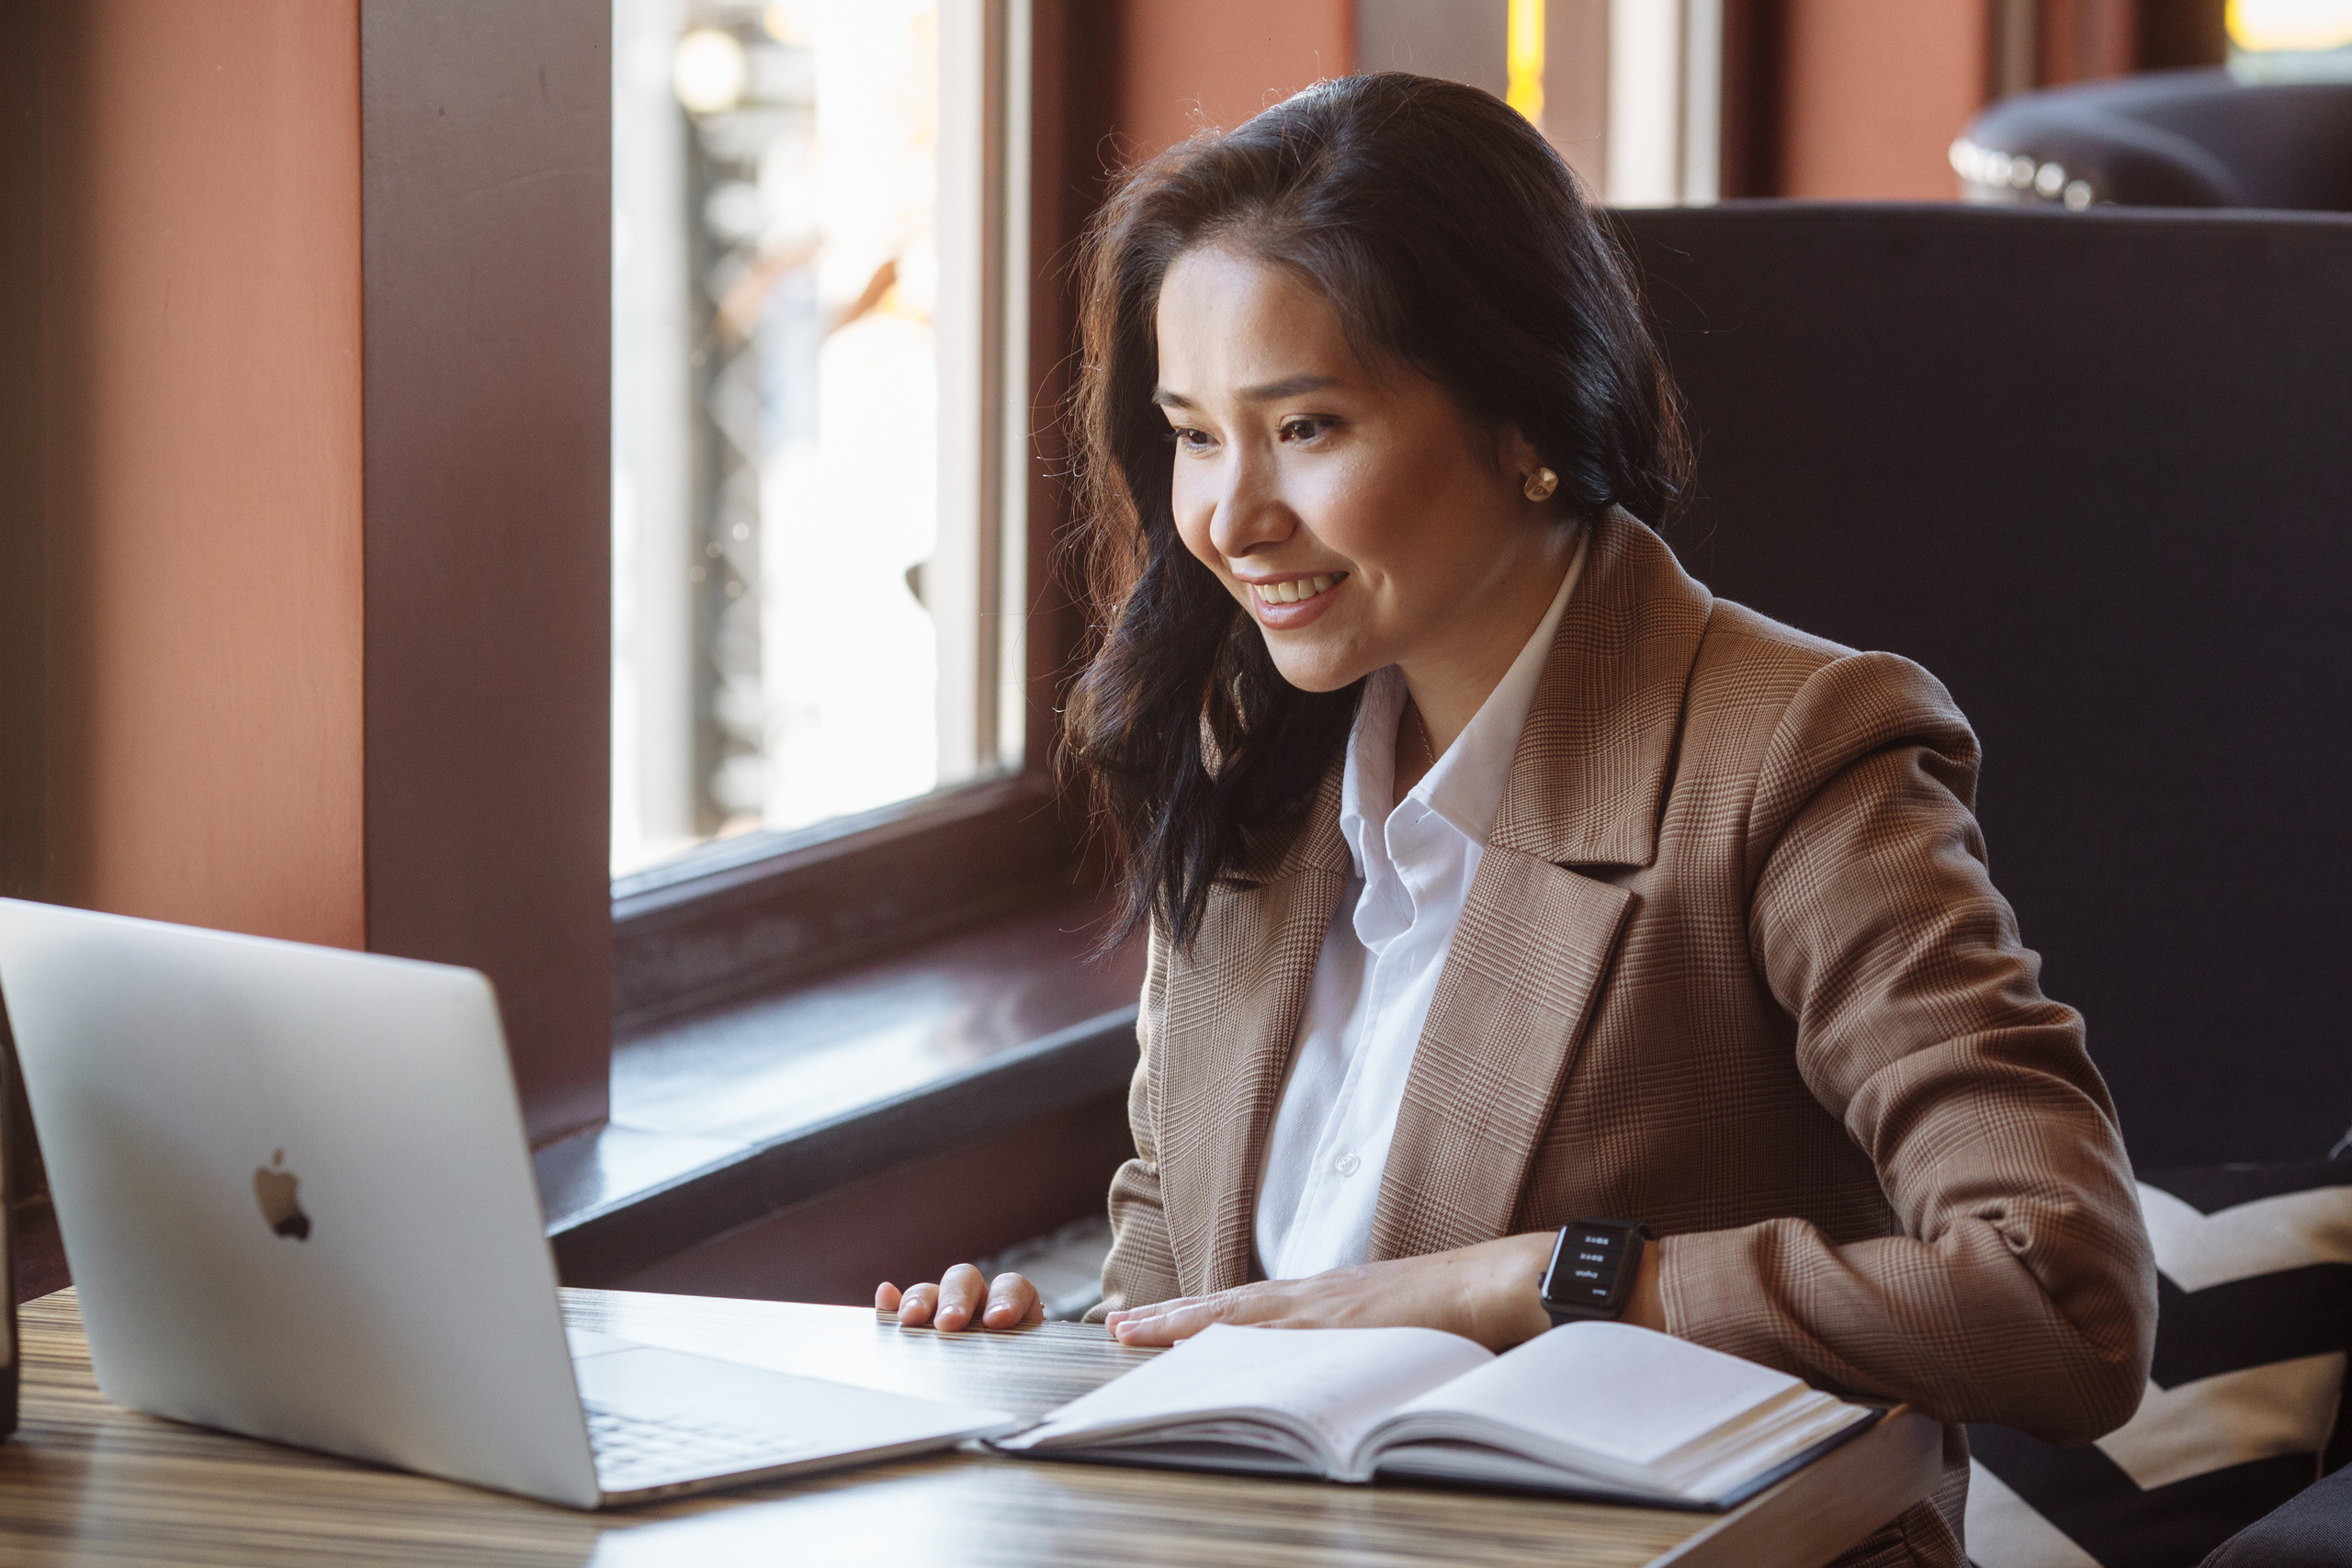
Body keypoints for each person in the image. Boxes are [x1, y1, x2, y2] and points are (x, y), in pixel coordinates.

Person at [875, 73, 2155, 1567]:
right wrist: (1043, 1361)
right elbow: (1188, 1290)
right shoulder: (1248, 754)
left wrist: (1558, 1280)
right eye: (1195, 435)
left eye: (1307, 426)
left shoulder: (1794, 752)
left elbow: (2062, 1300)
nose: (1227, 517)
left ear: (1524, 417)